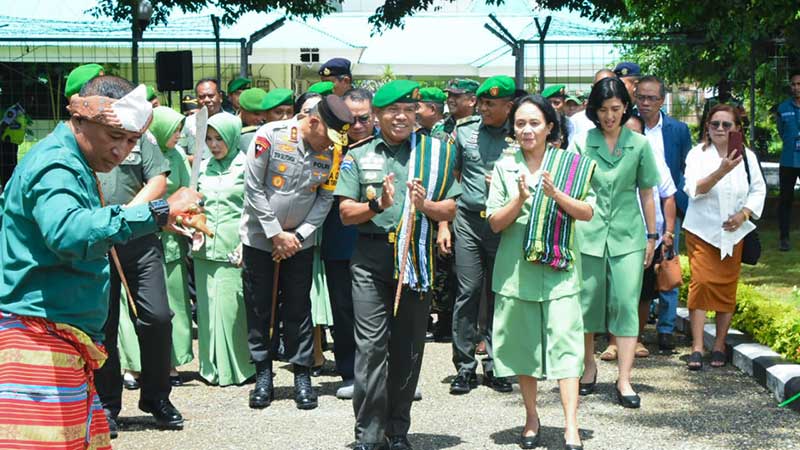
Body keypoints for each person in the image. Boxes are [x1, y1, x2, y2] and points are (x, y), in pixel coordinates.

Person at [0, 77, 202, 449]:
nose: (122, 150)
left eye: (131, 141)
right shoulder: (57, 164)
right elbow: (68, 233)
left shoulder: (70, 158)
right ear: (82, 119)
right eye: (115, 136)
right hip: (37, 340)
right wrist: (155, 212)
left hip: (56, 337)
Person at [335, 79, 461, 450]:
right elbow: (345, 213)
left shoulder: (436, 152)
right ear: (376, 115)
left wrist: (426, 207)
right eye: (392, 110)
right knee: (371, 348)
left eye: (408, 109)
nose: (401, 116)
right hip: (371, 260)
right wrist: (377, 205)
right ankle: (369, 436)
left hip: (416, 259)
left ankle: (398, 431)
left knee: (407, 349)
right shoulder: (358, 155)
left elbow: (451, 207)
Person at [487, 94, 594, 450]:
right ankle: (532, 416)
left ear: (550, 127)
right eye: (520, 124)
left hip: (560, 269)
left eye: (534, 123)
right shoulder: (504, 167)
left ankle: (571, 425)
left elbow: (586, 212)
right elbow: (494, 223)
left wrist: (555, 193)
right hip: (517, 272)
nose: (527, 130)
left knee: (567, 346)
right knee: (524, 348)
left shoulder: (570, 164)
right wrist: (518, 200)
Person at [240, 94, 353, 410]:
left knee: (299, 308)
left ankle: (302, 374)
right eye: (326, 137)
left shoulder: (332, 150)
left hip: (300, 244)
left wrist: (298, 236)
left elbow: (324, 199)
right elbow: (253, 188)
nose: (328, 145)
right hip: (260, 239)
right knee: (260, 307)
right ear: (313, 121)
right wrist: (276, 234)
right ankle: (263, 374)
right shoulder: (271, 136)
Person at [92, 81, 182, 435]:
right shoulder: (86, 142)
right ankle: (106, 404)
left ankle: (157, 397)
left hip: (138, 238)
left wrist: (124, 218)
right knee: (104, 324)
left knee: (158, 317)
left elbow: (158, 180)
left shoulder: (141, 137)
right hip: (97, 243)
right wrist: (107, 226)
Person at [569, 76, 660, 409]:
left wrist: (652, 236)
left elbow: (647, 193)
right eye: (603, 110)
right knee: (587, 303)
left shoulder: (639, 144)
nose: (609, 116)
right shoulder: (581, 142)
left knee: (625, 304)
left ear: (625, 109)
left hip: (628, 235)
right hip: (588, 234)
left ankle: (624, 379)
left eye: (616, 109)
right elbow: (571, 190)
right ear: (594, 110)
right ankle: (588, 366)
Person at [683, 104, 766, 370]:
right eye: (715, 124)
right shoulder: (698, 155)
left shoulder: (748, 157)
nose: (720, 129)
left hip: (733, 233)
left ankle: (719, 344)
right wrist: (722, 169)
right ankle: (697, 346)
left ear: (737, 129)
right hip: (702, 230)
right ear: (707, 127)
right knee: (702, 283)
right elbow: (694, 189)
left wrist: (743, 215)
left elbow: (758, 190)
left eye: (726, 125)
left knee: (727, 289)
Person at [449, 75, 516, 396]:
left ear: (508, 106)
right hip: (468, 222)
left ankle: (497, 365)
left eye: (491, 103)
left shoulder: (519, 134)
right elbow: (453, 177)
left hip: (503, 224)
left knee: (501, 294)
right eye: (482, 102)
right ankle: (464, 367)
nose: (484, 108)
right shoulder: (465, 132)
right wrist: (444, 226)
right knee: (469, 292)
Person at [192, 112, 255, 386]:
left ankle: (237, 368)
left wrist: (245, 243)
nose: (214, 144)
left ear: (232, 136)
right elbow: (192, 203)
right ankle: (210, 368)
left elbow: (252, 210)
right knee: (206, 312)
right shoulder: (202, 168)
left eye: (219, 138)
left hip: (234, 247)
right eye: (208, 139)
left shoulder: (246, 166)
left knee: (232, 310)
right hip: (204, 248)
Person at [634, 75, 693, 350]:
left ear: (662, 100)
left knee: (667, 265)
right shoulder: (629, 126)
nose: (645, 103)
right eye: (641, 97)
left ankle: (666, 328)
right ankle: (629, 332)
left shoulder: (678, 130)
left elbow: (682, 167)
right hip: (633, 210)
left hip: (667, 206)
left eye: (651, 98)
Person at [324, 88, 374, 401]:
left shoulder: (388, 147)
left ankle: (390, 375)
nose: (356, 125)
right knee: (344, 310)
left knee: (384, 312)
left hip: (379, 239)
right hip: (338, 237)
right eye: (350, 119)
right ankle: (350, 372)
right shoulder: (327, 148)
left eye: (363, 118)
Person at [429, 78, 480, 343]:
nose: (451, 99)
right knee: (444, 266)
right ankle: (445, 319)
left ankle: (478, 330)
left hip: (472, 208)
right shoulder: (441, 128)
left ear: (472, 100)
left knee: (470, 276)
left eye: (457, 96)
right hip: (444, 204)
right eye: (449, 95)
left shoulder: (482, 129)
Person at [776, 69, 800, 252]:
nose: (796, 87)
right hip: (788, 161)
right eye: (793, 84)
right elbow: (782, 132)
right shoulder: (783, 108)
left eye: (799, 84)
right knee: (785, 200)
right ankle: (784, 238)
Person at [179, 78, 224, 156]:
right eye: (202, 97)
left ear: (220, 97)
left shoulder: (232, 121)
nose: (206, 100)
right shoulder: (187, 123)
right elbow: (181, 155)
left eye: (211, 96)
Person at [571, 69, 615, 137]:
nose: (605, 89)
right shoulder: (577, 120)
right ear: (592, 88)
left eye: (609, 85)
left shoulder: (624, 119)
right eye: (600, 85)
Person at [541, 84, 572, 148]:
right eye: (548, 103)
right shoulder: (538, 123)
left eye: (556, 103)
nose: (552, 106)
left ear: (563, 104)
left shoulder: (569, 123)